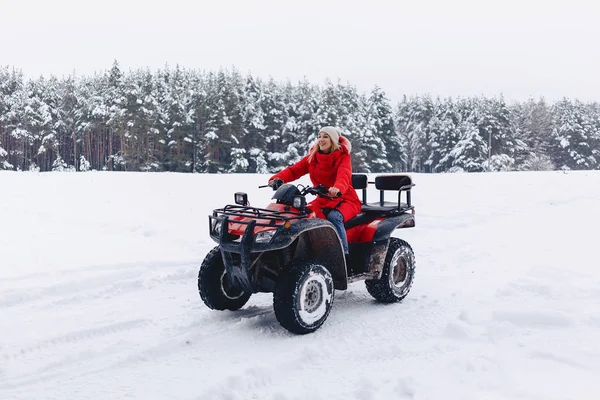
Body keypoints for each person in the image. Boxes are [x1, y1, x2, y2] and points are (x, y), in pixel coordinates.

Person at [268, 126, 362, 256]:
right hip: (323, 199)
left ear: (333, 140)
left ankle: (342, 253)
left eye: (325, 137)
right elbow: (294, 170)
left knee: (334, 217)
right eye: (319, 136)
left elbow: (344, 174)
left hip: (345, 198)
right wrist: (277, 179)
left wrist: (337, 188)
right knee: (303, 213)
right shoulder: (313, 157)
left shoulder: (342, 156)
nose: (321, 140)